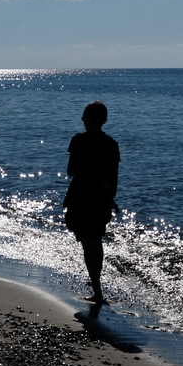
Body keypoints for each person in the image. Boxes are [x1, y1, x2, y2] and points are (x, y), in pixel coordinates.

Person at [63, 101, 120, 304]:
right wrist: (109, 198)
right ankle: (97, 286)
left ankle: (97, 290)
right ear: (104, 120)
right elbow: (113, 178)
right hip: (102, 199)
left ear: (87, 119)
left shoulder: (78, 140)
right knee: (95, 241)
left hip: (81, 197)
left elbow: (71, 171)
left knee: (88, 243)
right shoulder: (112, 144)